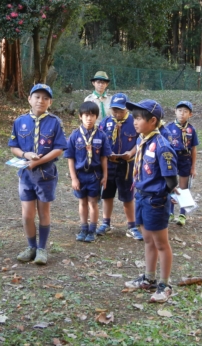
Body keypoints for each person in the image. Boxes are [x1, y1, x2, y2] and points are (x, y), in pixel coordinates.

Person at [123, 99, 178, 303]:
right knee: (148, 239)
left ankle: (165, 284)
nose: (134, 122)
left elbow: (171, 179)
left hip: (155, 200)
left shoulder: (162, 146)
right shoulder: (142, 140)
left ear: (153, 120)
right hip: (141, 196)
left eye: (138, 118)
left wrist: (162, 196)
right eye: (134, 117)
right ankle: (149, 278)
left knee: (161, 243)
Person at [9, 83, 67, 265]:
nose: (40, 101)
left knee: (44, 212)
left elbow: (59, 148)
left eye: (45, 98)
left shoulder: (55, 122)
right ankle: (31, 246)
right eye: (37, 97)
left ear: (50, 102)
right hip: (26, 175)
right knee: (27, 215)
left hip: (46, 174)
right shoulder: (20, 121)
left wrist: (39, 161)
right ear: (29, 99)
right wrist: (26, 155)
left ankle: (42, 248)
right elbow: (13, 146)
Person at [96, 93, 142, 241]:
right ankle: (106, 223)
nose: (116, 113)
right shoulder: (106, 122)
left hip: (127, 166)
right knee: (107, 195)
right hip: (109, 165)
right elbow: (101, 140)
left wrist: (131, 153)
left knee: (127, 197)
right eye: (114, 110)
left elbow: (139, 141)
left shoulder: (133, 122)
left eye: (120, 110)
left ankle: (131, 226)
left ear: (126, 109)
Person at [65, 101, 112, 243]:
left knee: (93, 202)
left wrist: (105, 176)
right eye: (86, 115)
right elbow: (70, 159)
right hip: (80, 175)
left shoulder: (101, 136)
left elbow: (104, 158)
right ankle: (83, 228)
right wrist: (74, 178)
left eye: (92, 115)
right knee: (82, 202)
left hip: (95, 176)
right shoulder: (74, 136)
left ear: (97, 117)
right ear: (80, 116)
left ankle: (92, 230)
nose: (89, 118)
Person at [165, 101, 199, 226]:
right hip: (173, 158)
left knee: (184, 188)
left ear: (190, 114)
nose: (182, 114)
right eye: (180, 111)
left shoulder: (191, 129)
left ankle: (182, 214)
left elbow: (194, 148)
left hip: (185, 159)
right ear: (175, 111)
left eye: (185, 112)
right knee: (171, 186)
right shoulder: (169, 127)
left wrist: (193, 167)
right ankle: (170, 212)